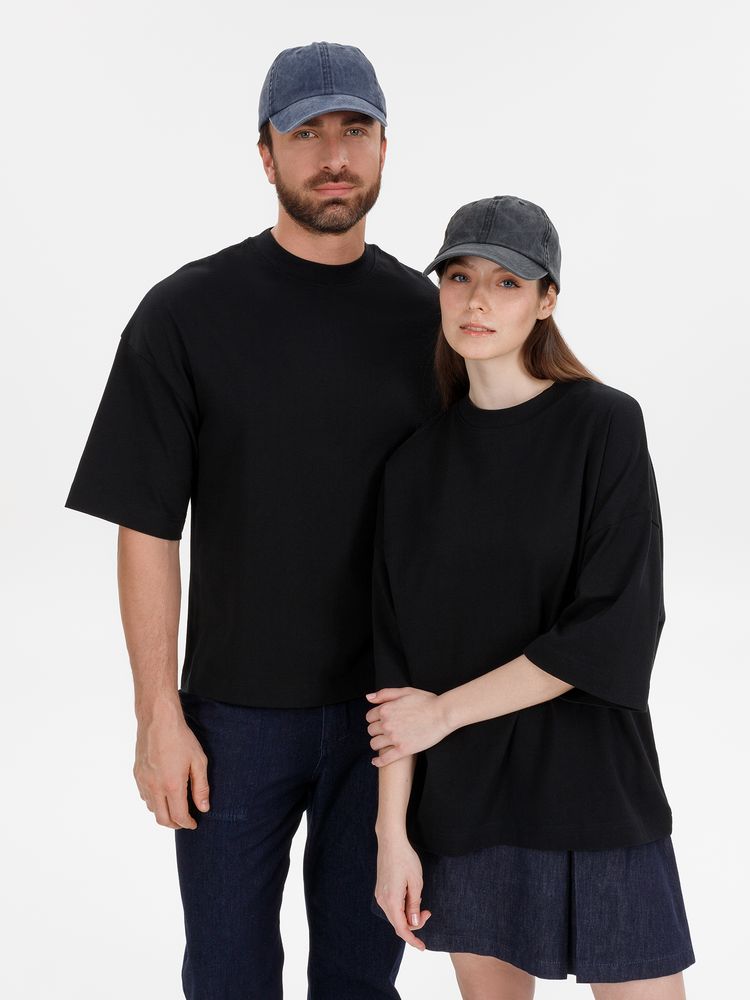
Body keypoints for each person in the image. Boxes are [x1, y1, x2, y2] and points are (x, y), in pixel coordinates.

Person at [64, 41, 439, 1000]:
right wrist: (158, 713)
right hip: (232, 721)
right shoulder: (186, 314)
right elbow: (146, 525)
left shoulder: (434, 322)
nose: (334, 156)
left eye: (354, 130)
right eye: (306, 133)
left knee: (362, 982)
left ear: (386, 146)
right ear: (265, 154)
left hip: (387, 719)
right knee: (227, 978)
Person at [366, 195, 695, 998]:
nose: (477, 300)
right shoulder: (413, 467)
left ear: (546, 301)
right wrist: (391, 834)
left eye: (507, 282)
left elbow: (616, 627)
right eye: (459, 277)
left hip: (596, 791)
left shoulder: (604, 425)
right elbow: (394, 671)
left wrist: (446, 713)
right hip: (465, 806)